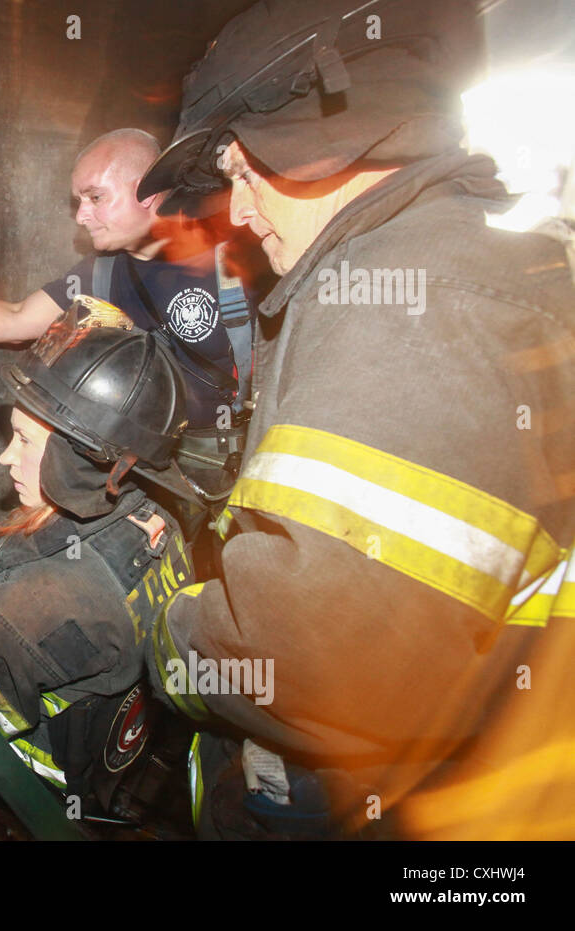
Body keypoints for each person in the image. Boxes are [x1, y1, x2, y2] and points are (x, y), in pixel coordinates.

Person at [133, 0, 575, 839]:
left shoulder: (402, 305)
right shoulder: (471, 258)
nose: (239, 213)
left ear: (306, 141)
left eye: (238, 172)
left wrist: (164, 629)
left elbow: (315, 662)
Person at [0, 298, 200, 817]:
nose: (6, 456)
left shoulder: (31, 606)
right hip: (120, 753)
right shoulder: (154, 512)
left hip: (43, 780)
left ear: (80, 460)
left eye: (25, 441)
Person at [0, 128, 263, 432]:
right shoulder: (101, 272)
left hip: (233, 458)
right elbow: (15, 319)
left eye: (95, 198)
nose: (81, 216)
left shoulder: (237, 254)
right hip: (158, 466)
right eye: (78, 202)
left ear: (150, 191)